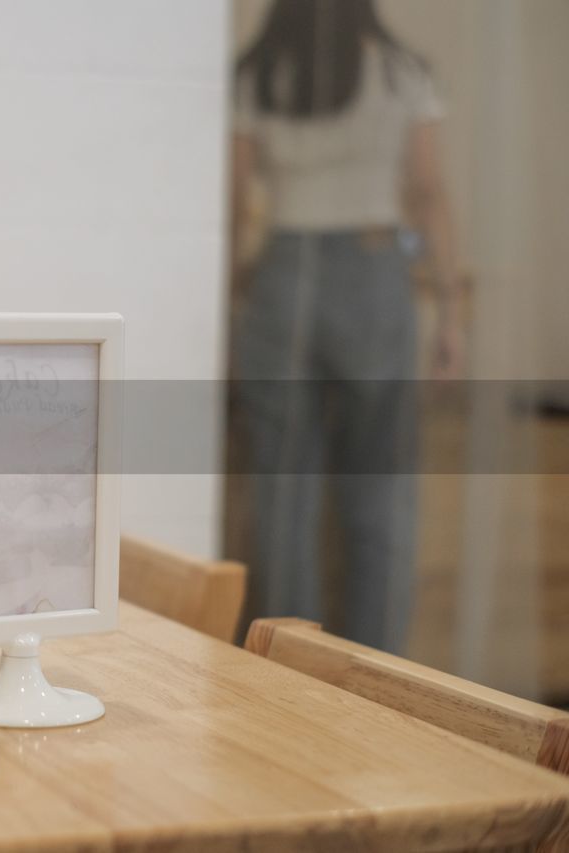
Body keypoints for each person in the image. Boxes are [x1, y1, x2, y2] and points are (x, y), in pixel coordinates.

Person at [230, 0, 463, 652]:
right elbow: (428, 191)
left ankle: (287, 676)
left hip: (284, 273)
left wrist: (229, 300)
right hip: (373, 269)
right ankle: (379, 679)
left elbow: (234, 197)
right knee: (381, 495)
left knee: (283, 496)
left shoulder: (256, 72)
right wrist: (449, 311)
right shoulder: (401, 70)